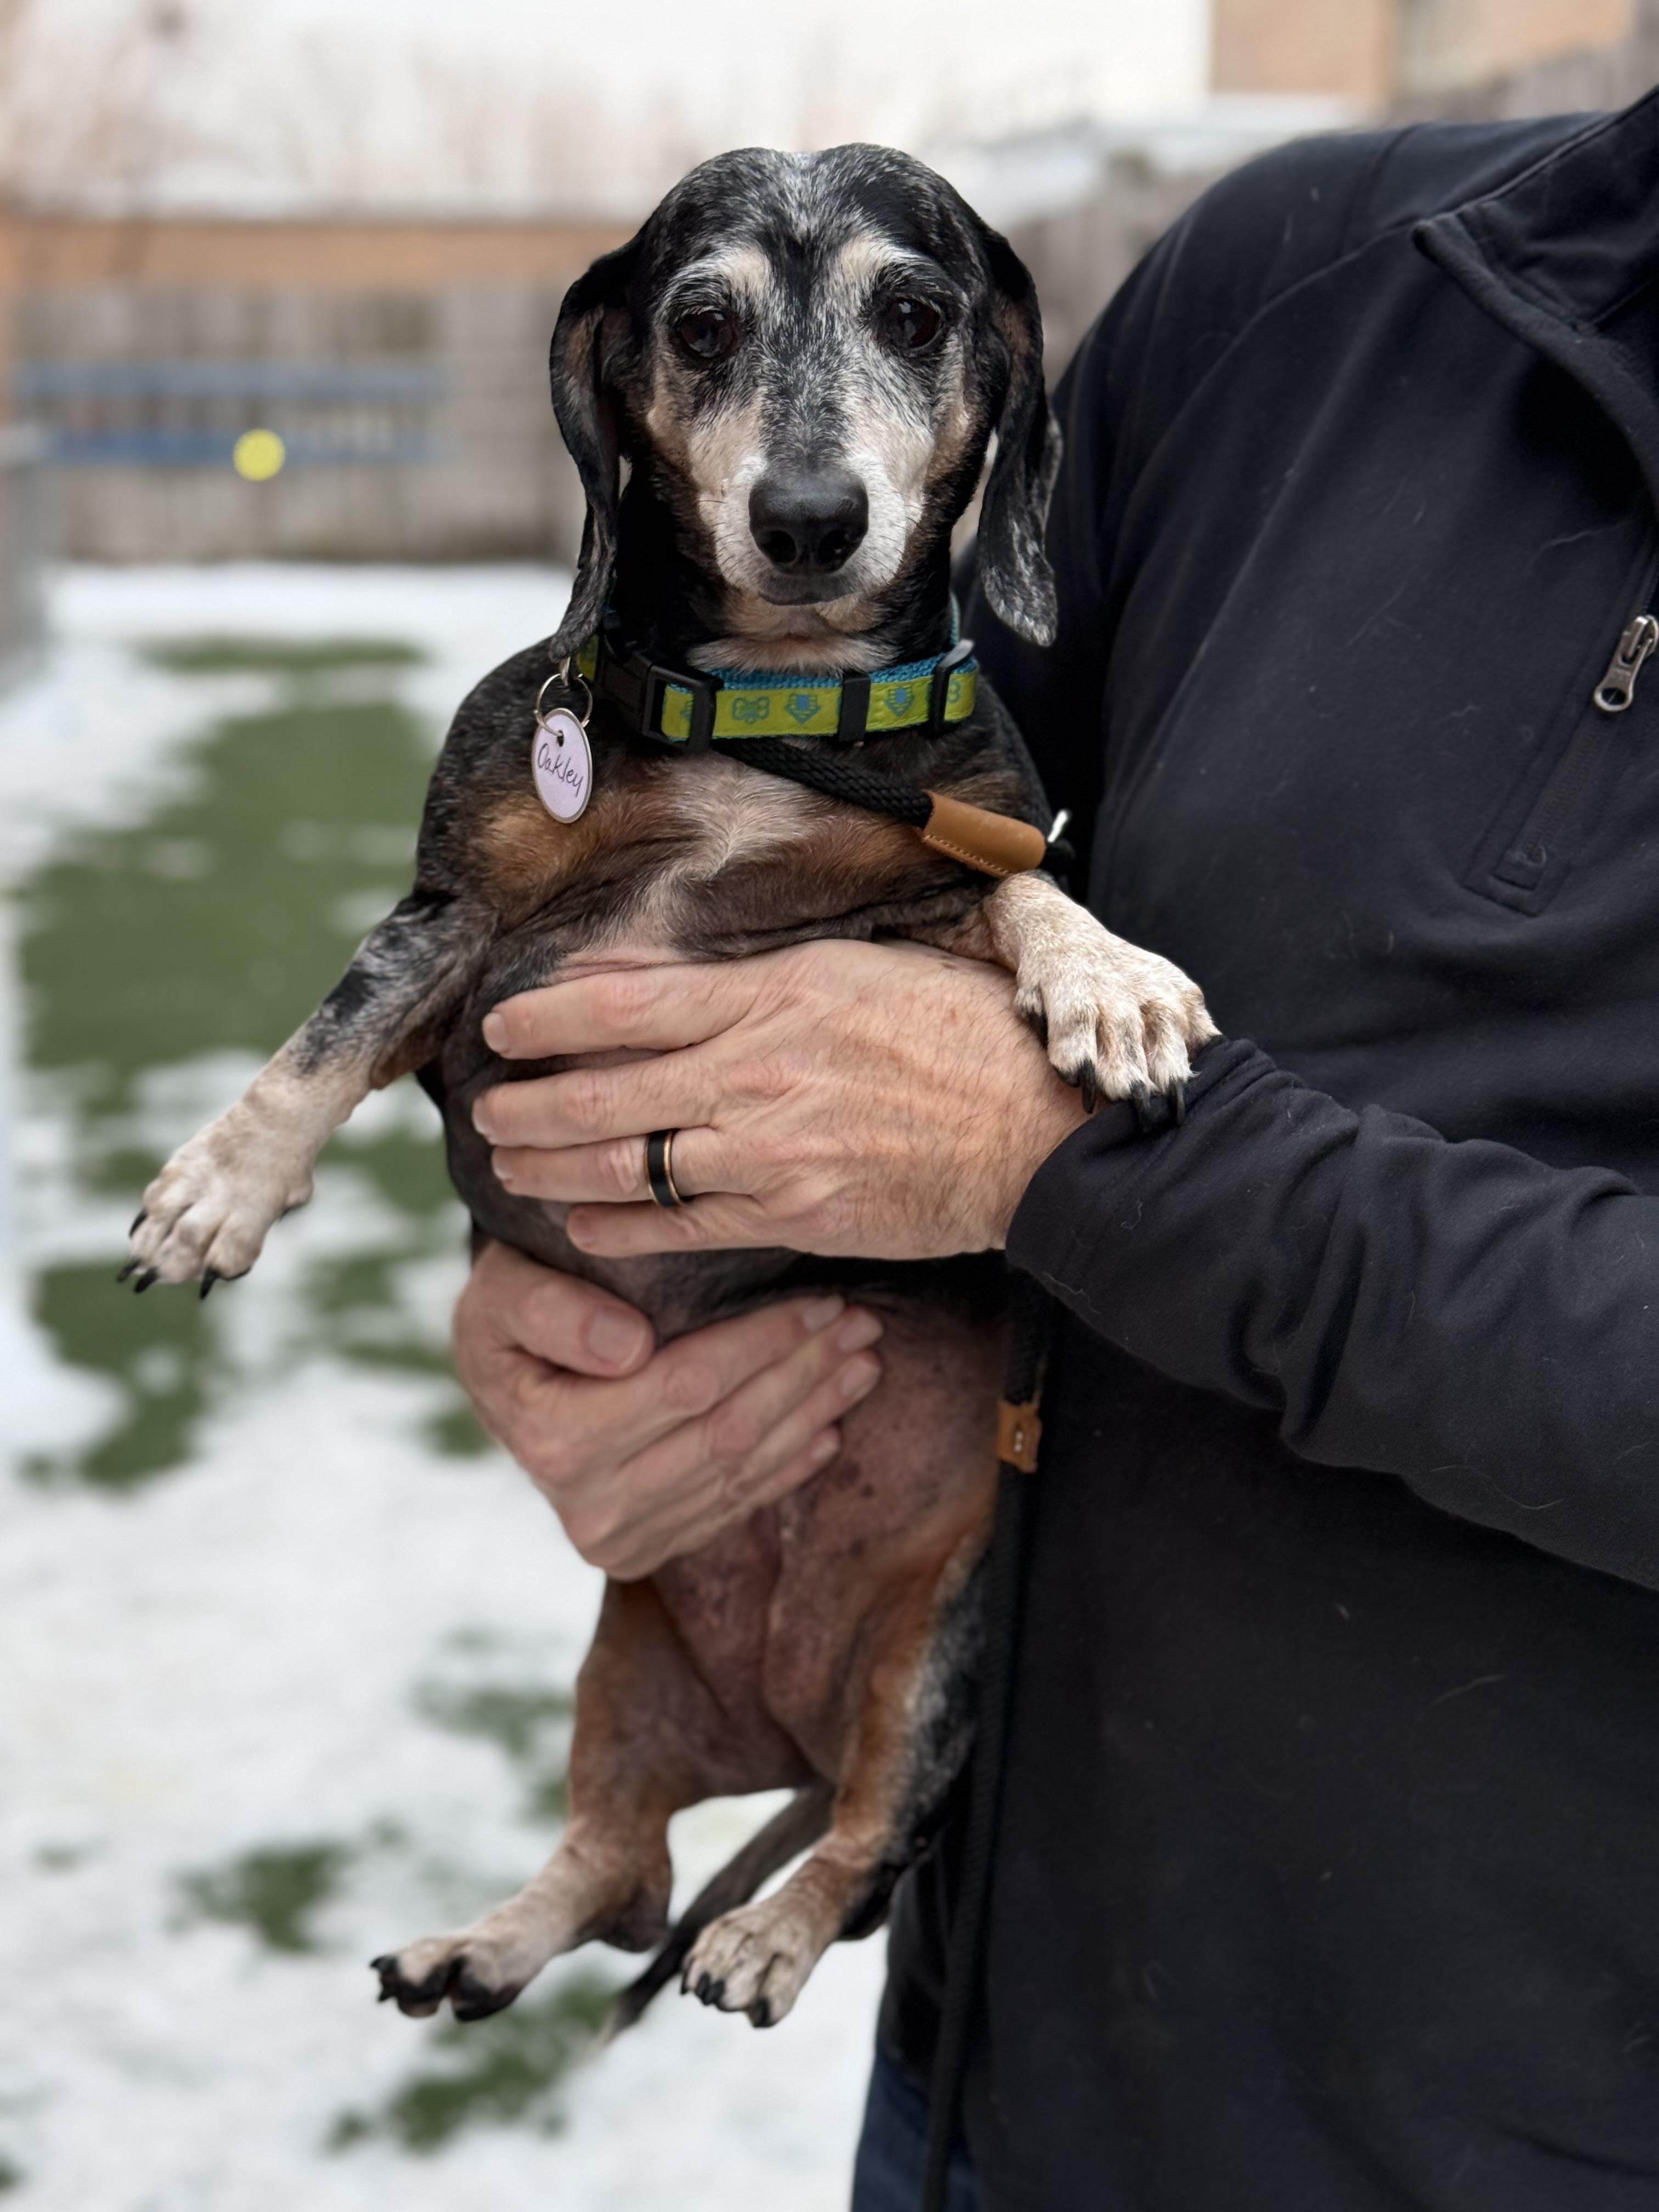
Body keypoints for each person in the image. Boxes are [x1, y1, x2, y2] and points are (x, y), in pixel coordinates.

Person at [452, 95, 1659, 2211]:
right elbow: (800, 833)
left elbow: (998, 1128)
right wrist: (587, 1243)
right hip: (989, 2058)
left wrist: (1066, 1160)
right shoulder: (1310, 284)